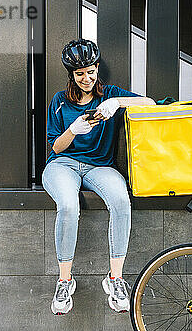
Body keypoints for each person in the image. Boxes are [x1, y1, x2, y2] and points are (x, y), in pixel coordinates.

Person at [42, 39, 155, 315]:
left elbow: (149, 103)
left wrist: (117, 103)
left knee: (120, 201)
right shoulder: (60, 101)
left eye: (91, 71)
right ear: (71, 75)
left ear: (96, 69)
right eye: (80, 73)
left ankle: (115, 278)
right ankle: (64, 281)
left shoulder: (109, 94)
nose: (87, 78)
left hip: (99, 166)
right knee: (68, 206)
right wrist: (73, 130)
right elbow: (55, 147)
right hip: (63, 165)